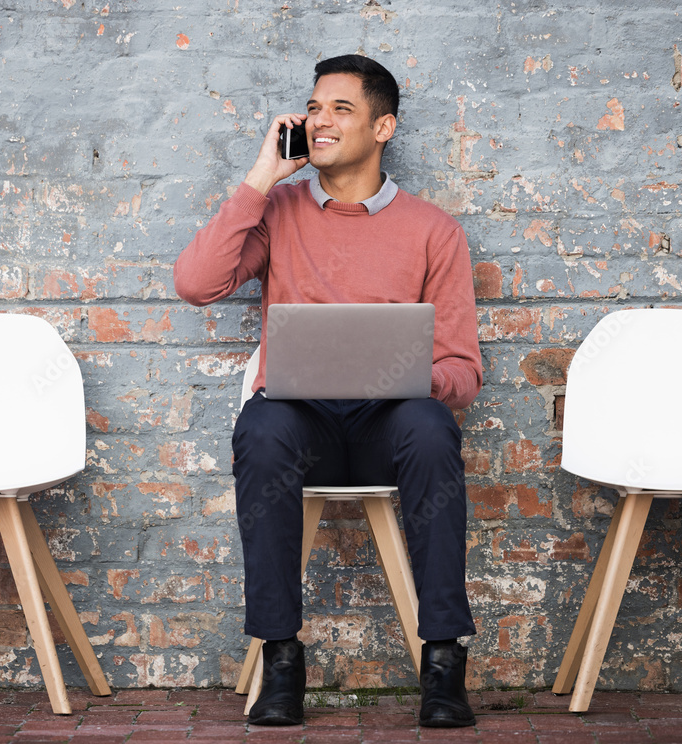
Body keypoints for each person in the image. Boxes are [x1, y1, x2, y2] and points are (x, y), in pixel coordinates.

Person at [173, 54, 482, 729]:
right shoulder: (277, 209)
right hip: (300, 428)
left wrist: (408, 370)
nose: (320, 120)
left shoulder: (435, 231)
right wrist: (262, 177)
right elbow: (197, 284)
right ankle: (280, 660)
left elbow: (463, 370)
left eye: (341, 109)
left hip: (388, 427)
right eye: (313, 108)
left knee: (432, 427)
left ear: (384, 128)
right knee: (260, 426)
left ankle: (443, 665)